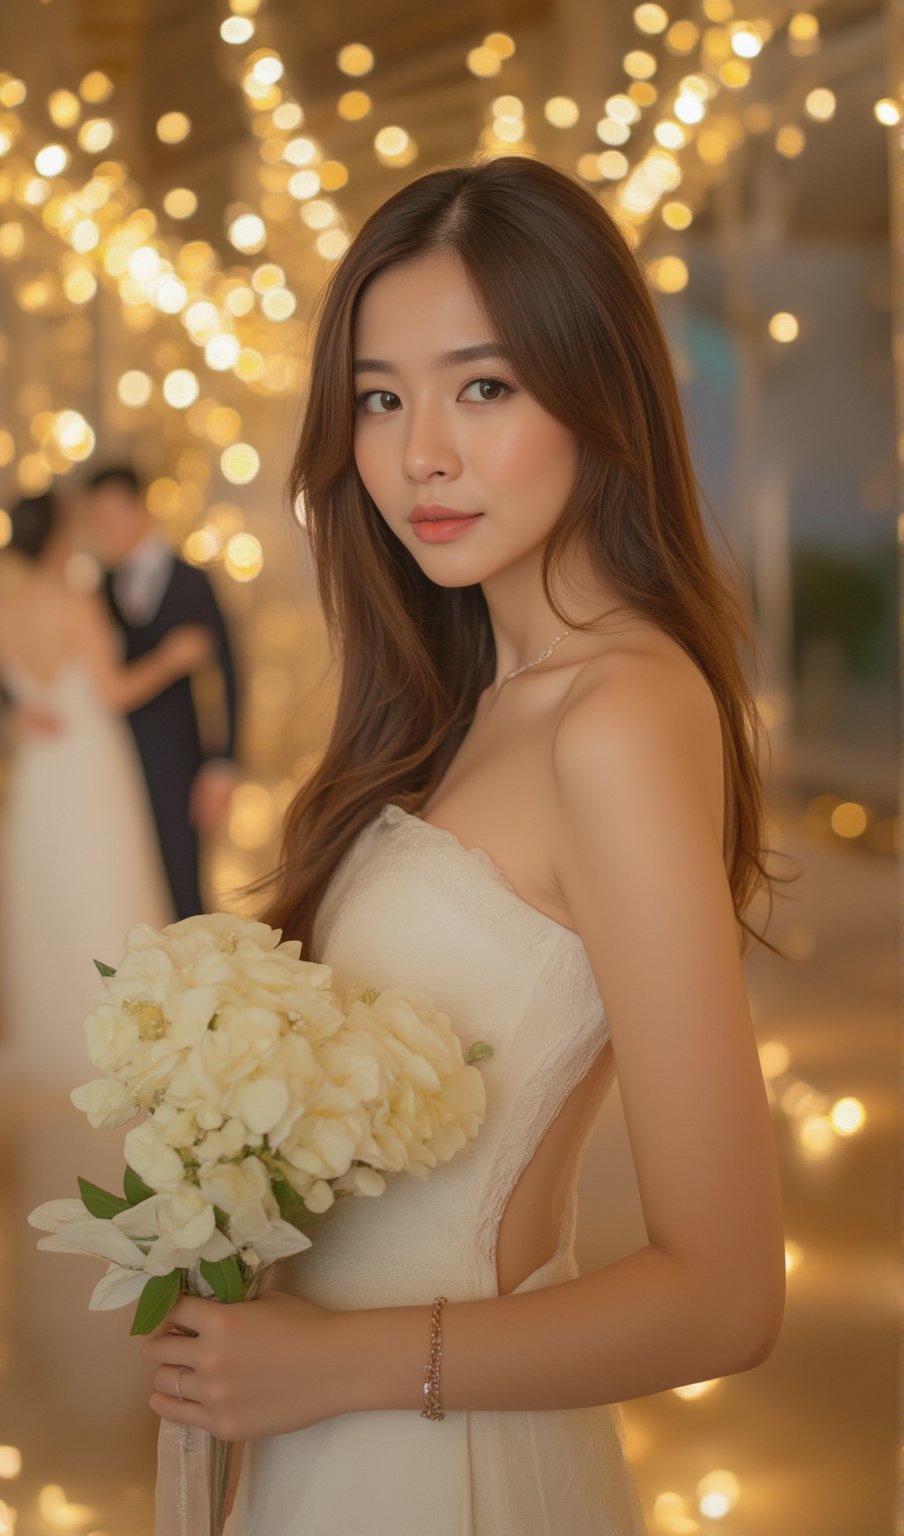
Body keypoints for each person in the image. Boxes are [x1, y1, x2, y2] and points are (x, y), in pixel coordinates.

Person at [142, 155, 791, 1535]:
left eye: (481, 386)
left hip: (430, 1456)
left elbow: (728, 1293)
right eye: (381, 397)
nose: (417, 450)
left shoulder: (614, 714)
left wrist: (333, 1363)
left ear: (598, 391)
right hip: (334, 1434)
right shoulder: (458, 707)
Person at [0, 488, 213, 1087]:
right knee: (104, 879)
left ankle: (54, 1030)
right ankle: (122, 1033)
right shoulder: (77, 601)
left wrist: (15, 717)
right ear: (61, 536)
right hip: (90, 763)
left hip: (41, 772)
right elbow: (114, 692)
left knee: (50, 890)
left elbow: (14, 697)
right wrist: (175, 656)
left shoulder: (7, 607)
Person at [84, 465, 241, 920]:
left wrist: (223, 762)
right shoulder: (99, 588)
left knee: (184, 890)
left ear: (140, 508)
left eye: (111, 515)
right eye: (96, 520)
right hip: (114, 764)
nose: (104, 530)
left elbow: (231, 673)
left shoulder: (191, 580)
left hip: (181, 762)